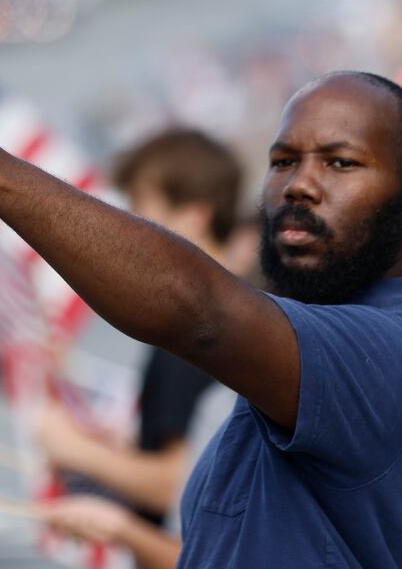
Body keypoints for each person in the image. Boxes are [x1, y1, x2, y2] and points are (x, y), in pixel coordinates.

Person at [0, 70, 402, 566]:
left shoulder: (401, 356)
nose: (299, 185)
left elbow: (200, 312)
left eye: (341, 163)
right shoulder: (288, 370)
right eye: (283, 161)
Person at [33, 129, 244, 545]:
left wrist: (74, 450)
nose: (127, 226)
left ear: (194, 216)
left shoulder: (197, 332)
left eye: (141, 208)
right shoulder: (242, 310)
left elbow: (177, 482)